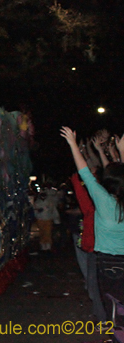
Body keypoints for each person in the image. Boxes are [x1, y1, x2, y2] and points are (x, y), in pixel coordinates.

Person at [62, 127, 124, 321]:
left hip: (107, 262)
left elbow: (84, 172)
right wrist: (121, 152)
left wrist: (72, 144)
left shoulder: (104, 201)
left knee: (112, 305)